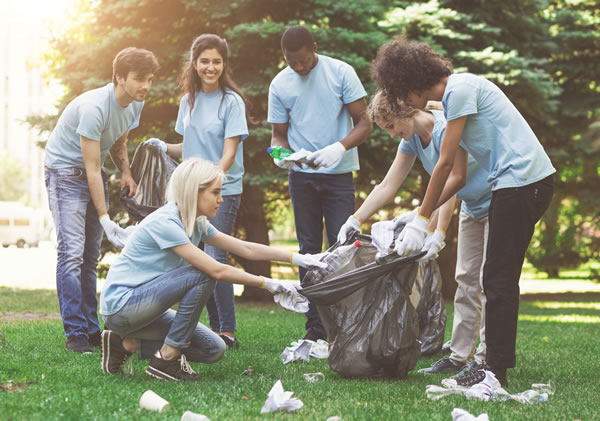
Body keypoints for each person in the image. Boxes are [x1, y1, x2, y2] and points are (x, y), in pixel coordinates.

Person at [371, 38, 555, 387]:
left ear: (411, 84)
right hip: (513, 184)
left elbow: (443, 164)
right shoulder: (452, 99)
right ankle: (489, 367)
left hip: (523, 182)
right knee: (494, 278)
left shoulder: (460, 89)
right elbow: (457, 176)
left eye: (402, 94)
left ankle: (493, 371)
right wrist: (418, 217)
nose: (407, 103)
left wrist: (424, 221)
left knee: (497, 280)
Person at [99, 158, 326, 381]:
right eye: (215, 192)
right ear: (193, 193)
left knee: (214, 348)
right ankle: (167, 360)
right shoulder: (166, 223)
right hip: (122, 307)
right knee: (203, 274)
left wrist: (300, 259)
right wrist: (270, 284)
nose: (221, 199)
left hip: (146, 308)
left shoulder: (197, 223)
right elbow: (216, 271)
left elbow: (245, 248)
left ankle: (123, 344)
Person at [339, 92, 492, 379]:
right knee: (466, 279)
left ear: (406, 112)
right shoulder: (410, 141)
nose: (393, 133)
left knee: (488, 281)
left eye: (392, 125)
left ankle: (485, 359)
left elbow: (452, 179)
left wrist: (437, 231)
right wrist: (356, 218)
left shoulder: (448, 127)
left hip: (497, 199)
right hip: (473, 205)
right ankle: (459, 357)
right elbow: (388, 185)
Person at [44, 47, 159, 353]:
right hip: (64, 174)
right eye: (138, 79)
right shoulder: (95, 106)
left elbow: (119, 140)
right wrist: (106, 217)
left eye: (149, 79)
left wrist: (126, 172)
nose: (145, 86)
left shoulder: (136, 103)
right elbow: (92, 169)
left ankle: (92, 330)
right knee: (71, 253)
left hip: (90, 174)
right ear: (119, 77)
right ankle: (76, 332)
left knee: (90, 257)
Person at [147, 34, 252, 349]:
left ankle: (228, 331)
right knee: (198, 260)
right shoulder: (187, 101)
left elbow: (229, 151)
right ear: (194, 63)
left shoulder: (231, 101)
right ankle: (217, 328)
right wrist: (162, 145)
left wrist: (213, 183)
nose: (211, 67)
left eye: (216, 61)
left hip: (222, 190)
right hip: (190, 193)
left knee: (216, 254)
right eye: (204, 61)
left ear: (224, 64)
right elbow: (186, 147)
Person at [267, 25, 372, 342]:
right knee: (308, 251)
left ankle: (347, 324)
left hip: (338, 176)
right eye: (291, 62)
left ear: (314, 47)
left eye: (302, 60)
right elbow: (278, 136)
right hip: (301, 178)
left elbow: (365, 122)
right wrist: (282, 156)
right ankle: (315, 331)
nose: (298, 67)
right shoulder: (280, 84)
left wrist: (339, 147)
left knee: (342, 250)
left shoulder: (341, 72)